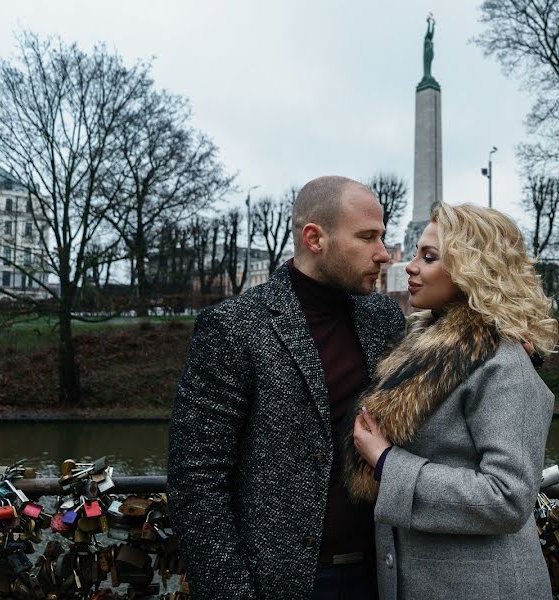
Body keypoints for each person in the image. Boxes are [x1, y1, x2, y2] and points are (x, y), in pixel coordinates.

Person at [168, 176, 405, 600]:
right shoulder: (234, 327)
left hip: (383, 574)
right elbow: (196, 479)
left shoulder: (383, 318)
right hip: (284, 584)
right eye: (367, 237)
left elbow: (449, 373)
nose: (383, 253)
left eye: (382, 237)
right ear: (315, 238)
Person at [347, 202, 558, 600]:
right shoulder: (425, 350)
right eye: (415, 254)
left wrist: (388, 463)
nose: (410, 266)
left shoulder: (503, 361)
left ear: (470, 271)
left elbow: (509, 497)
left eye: (429, 257)